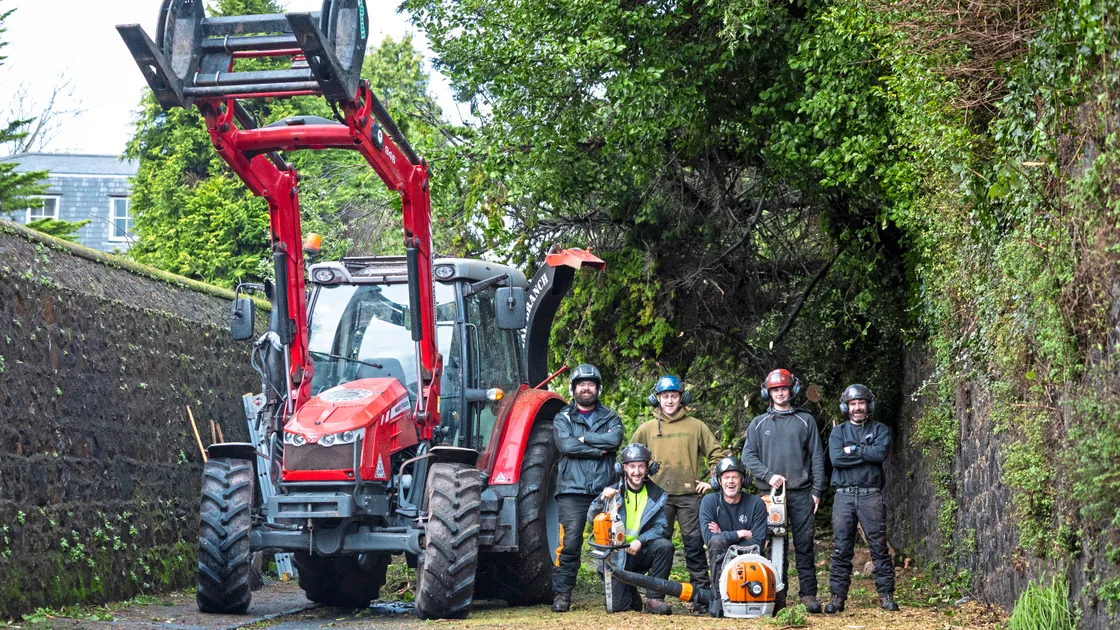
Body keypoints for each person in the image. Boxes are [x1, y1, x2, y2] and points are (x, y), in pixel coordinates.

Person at [741, 368, 826, 613]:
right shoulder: (758, 424)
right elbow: (748, 456)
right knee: (772, 544)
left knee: (804, 544)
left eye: (784, 388)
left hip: (800, 492)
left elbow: (817, 457)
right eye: (775, 389)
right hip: (769, 494)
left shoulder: (805, 420)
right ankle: (776, 593)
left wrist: (817, 490)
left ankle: (808, 594)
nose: (780, 393)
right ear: (768, 393)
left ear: (792, 390)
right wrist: (769, 475)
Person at [630, 375, 722, 593]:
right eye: (665, 396)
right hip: (656, 498)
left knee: (694, 545)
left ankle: (701, 594)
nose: (669, 401)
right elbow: (630, 456)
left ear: (682, 398)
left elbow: (716, 454)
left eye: (674, 396)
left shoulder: (696, 426)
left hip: (690, 497)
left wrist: (712, 480)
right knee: (658, 545)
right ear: (657, 399)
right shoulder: (647, 429)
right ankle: (654, 594)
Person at [551, 363, 624, 613]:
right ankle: (562, 594)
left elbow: (615, 440)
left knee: (611, 542)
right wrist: (600, 449)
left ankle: (616, 593)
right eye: (581, 384)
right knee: (569, 543)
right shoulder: (564, 417)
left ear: (597, 388)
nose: (586, 388)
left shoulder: (610, 416)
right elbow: (566, 447)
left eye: (590, 384)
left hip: (605, 490)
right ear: (573, 388)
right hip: (572, 491)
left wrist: (586, 439)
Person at [826, 384, 899, 613]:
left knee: (878, 546)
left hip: (871, 495)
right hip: (843, 496)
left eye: (861, 403)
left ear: (869, 405)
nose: (857, 408)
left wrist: (853, 450)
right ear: (846, 407)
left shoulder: (880, 429)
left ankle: (886, 595)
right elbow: (837, 459)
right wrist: (864, 451)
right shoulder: (838, 432)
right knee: (841, 548)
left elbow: (879, 454)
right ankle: (837, 597)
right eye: (853, 404)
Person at [587, 443, 674, 615]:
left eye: (641, 466)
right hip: (616, 554)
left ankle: (654, 599)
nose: (637, 471)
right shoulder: (612, 492)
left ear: (648, 468)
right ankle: (630, 591)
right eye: (632, 466)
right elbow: (591, 519)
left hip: (640, 551)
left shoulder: (657, 495)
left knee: (665, 546)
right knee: (619, 607)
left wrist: (640, 541)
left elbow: (661, 527)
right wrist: (601, 500)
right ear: (624, 468)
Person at [699, 456, 769, 617]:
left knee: (719, 540)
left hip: (751, 564)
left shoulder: (756, 504)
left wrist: (724, 536)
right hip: (720, 561)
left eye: (734, 477)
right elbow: (710, 539)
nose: (730, 482)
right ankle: (718, 599)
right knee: (716, 542)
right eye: (726, 477)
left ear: (742, 480)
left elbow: (758, 542)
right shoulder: (709, 502)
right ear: (718, 481)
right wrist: (741, 533)